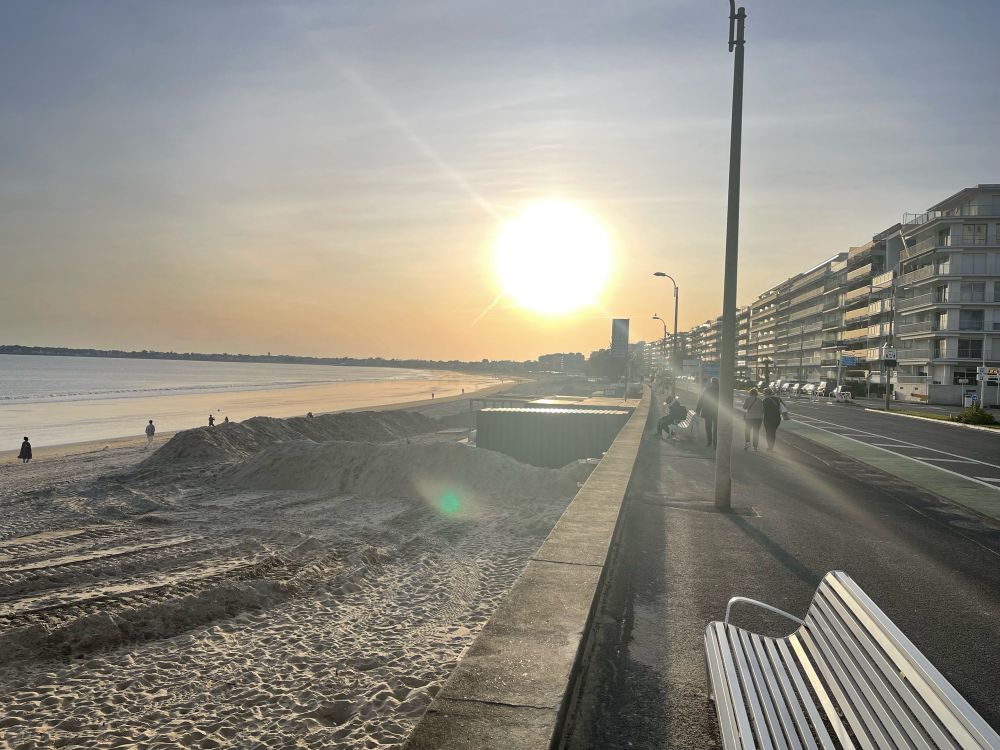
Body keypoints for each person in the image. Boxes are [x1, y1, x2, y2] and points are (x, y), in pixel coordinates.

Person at [696, 377, 720, 449]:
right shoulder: (718, 391)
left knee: (709, 428)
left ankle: (710, 442)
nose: (713, 384)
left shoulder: (708, 390)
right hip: (716, 412)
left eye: (713, 382)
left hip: (709, 412)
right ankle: (713, 443)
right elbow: (701, 400)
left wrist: (698, 410)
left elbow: (701, 400)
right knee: (714, 429)